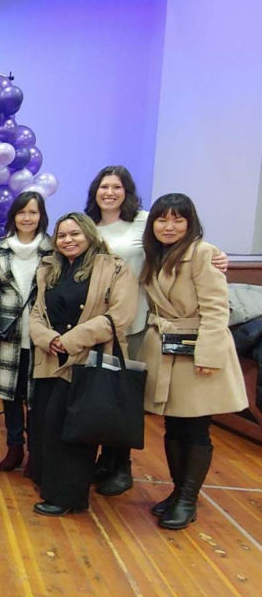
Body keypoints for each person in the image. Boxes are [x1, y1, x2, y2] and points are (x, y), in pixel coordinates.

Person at [84, 166, 227, 497]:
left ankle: (122, 466)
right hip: (96, 323)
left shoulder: (145, 221)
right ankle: (104, 461)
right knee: (101, 394)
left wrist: (218, 256)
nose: (109, 192)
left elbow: (188, 243)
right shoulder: (87, 225)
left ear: (127, 191)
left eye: (116, 186)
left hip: (139, 323)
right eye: (103, 186)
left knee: (126, 399)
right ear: (94, 191)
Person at [139, 193, 246, 530]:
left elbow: (217, 309)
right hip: (168, 350)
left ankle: (188, 499)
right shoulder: (155, 255)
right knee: (173, 424)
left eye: (178, 220)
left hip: (198, 350)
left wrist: (210, 356)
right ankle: (176, 492)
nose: (169, 226)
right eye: (162, 219)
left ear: (190, 223)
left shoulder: (204, 254)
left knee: (197, 428)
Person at [28, 212, 136, 516]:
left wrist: (72, 340)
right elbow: (36, 313)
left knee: (74, 431)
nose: (68, 240)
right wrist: (47, 338)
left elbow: (120, 316)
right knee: (47, 426)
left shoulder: (114, 268)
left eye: (74, 234)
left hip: (85, 359)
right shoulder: (50, 267)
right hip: (50, 357)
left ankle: (68, 498)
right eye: (62, 235)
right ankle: (51, 485)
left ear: (89, 234)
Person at [0, 191, 53, 473]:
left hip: (42, 337)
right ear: (13, 216)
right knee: (10, 396)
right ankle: (14, 447)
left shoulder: (53, 251)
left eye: (33, 213)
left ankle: (37, 450)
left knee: (38, 399)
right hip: (6, 336)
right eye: (21, 212)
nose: (27, 218)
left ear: (41, 216)